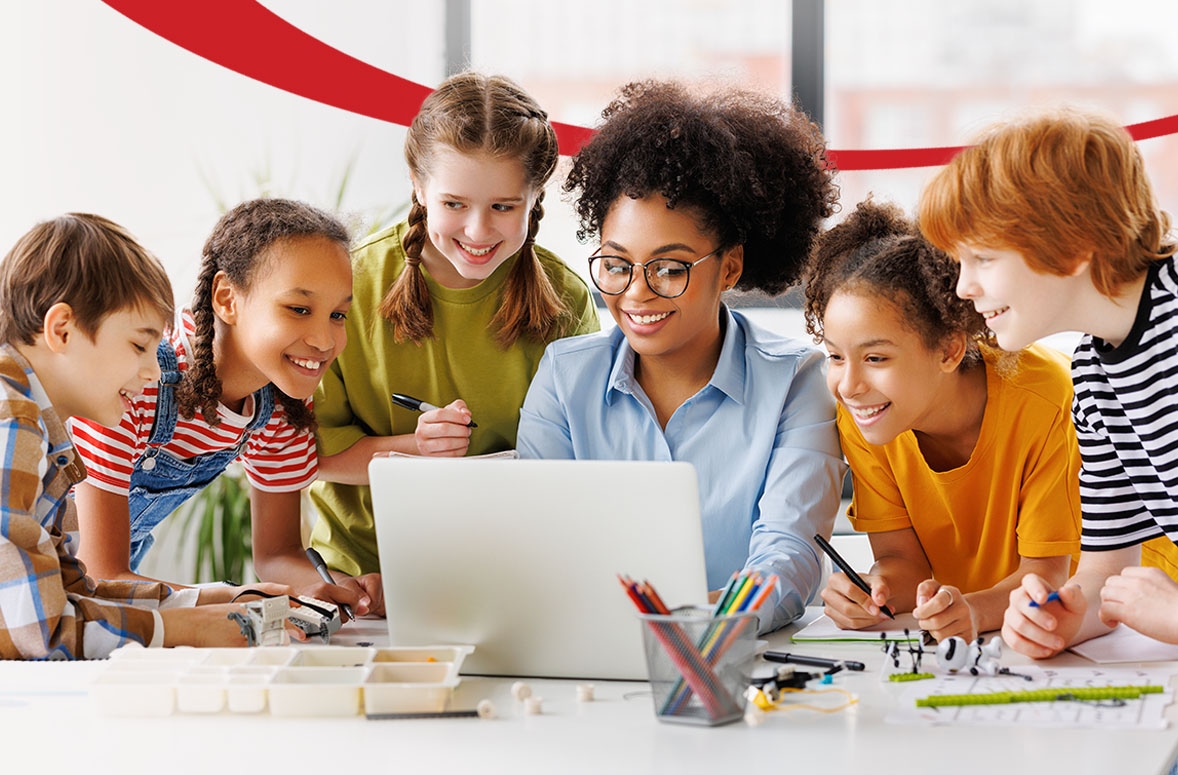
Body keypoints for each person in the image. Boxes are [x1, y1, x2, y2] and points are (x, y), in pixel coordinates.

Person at [515, 79, 844, 634]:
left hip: (736, 664)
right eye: (618, 265)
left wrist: (704, 620)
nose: (637, 294)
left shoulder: (795, 382)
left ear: (731, 268)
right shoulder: (565, 377)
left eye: (669, 268)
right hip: (589, 658)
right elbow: (540, 540)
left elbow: (790, 553)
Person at [310, 72, 599, 577]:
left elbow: (582, 463)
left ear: (534, 199)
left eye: (504, 207)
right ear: (418, 187)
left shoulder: (565, 298)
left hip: (513, 570)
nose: (478, 231)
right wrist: (412, 449)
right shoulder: (348, 284)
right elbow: (310, 452)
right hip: (363, 574)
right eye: (454, 204)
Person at [918, 106, 1178, 657]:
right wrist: (1064, 619)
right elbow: (1108, 568)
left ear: (1073, 245)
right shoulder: (1095, 372)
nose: (964, 287)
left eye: (983, 258)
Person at [68, 198, 375, 616]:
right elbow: (100, 572)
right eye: (299, 309)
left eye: (338, 314)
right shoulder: (135, 383)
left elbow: (279, 554)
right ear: (227, 298)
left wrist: (339, 588)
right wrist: (243, 599)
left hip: (94, 597)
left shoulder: (281, 410)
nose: (324, 340)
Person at [801, 198, 1081, 643]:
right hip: (987, 637)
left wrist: (970, 610)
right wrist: (877, 590)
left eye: (875, 357)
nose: (848, 385)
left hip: (1101, 629)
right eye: (836, 356)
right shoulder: (866, 415)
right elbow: (901, 559)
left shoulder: (1046, 399)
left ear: (950, 350)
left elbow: (1046, 576)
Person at [0, 213, 265, 657]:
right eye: (139, 345)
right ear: (61, 329)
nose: (153, 369)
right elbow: (46, 635)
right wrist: (189, 629)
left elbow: (72, 594)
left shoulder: (42, 431)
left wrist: (208, 599)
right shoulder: (11, 420)